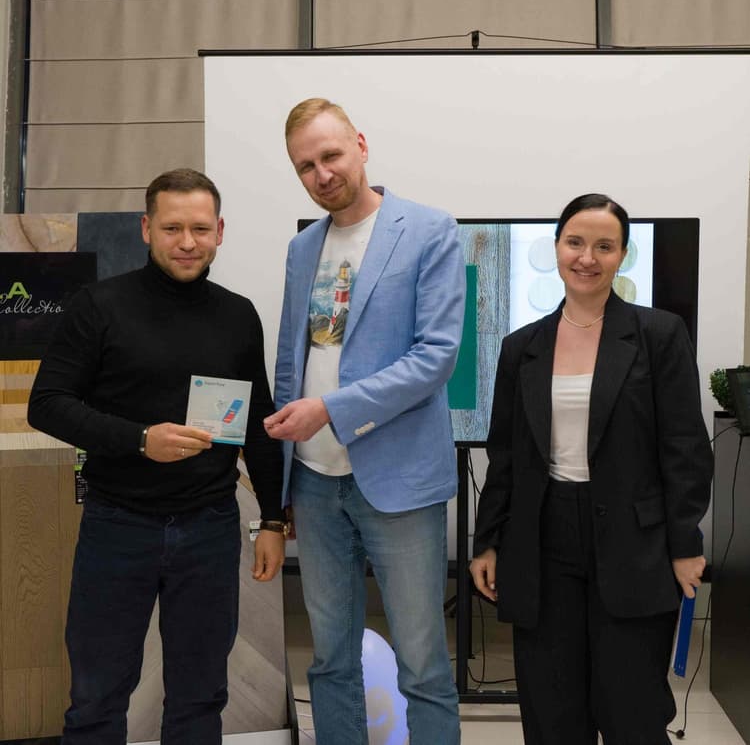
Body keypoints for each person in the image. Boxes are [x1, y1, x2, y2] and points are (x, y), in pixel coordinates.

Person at [27, 168, 285, 745]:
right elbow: (47, 405)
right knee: (97, 696)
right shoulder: (99, 306)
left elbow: (258, 422)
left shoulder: (239, 314)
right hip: (118, 526)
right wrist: (140, 439)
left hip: (210, 528)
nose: (187, 242)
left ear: (220, 231)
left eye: (200, 228)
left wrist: (272, 518)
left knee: (200, 696)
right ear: (147, 229)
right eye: (172, 228)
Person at [470, 193, 713, 744]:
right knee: (552, 713)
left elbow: (685, 447)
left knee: (632, 711)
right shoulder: (521, 347)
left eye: (604, 246)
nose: (587, 257)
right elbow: (504, 455)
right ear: (556, 247)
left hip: (635, 541)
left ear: (622, 255)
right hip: (542, 538)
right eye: (575, 242)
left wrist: (685, 544)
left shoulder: (659, 335)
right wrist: (488, 542)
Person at [263, 98, 464, 744]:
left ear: (361, 145)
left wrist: (331, 410)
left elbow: (435, 357)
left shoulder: (428, 230)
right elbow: (293, 360)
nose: (321, 174)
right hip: (315, 484)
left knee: (423, 665)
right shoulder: (302, 247)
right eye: (305, 166)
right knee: (329, 660)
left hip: (399, 481)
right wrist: (285, 483)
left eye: (330, 155)